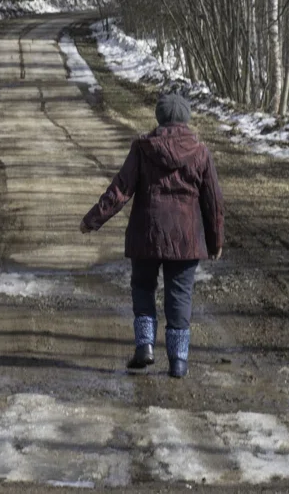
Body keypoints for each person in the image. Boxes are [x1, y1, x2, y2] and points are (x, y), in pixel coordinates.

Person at [80, 92, 223, 378]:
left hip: (147, 234)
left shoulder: (143, 148)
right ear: (187, 119)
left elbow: (120, 189)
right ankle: (178, 361)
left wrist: (93, 219)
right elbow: (213, 201)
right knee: (179, 296)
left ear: (158, 118)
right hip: (186, 240)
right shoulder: (201, 152)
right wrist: (215, 240)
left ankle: (145, 346)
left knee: (143, 288)